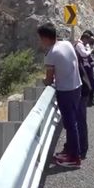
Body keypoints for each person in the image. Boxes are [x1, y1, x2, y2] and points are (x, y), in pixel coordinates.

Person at [38, 23, 84, 167]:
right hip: (77, 86)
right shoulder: (66, 44)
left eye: (40, 38)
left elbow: (49, 79)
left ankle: (74, 158)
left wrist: (43, 81)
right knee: (73, 122)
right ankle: (70, 150)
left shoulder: (51, 54)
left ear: (45, 38)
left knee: (70, 124)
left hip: (66, 91)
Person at [75, 31, 94, 107]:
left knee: (92, 83)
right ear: (84, 39)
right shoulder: (79, 45)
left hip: (88, 66)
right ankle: (86, 100)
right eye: (87, 40)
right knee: (87, 84)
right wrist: (90, 51)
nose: (88, 43)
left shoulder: (85, 45)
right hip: (83, 67)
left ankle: (90, 99)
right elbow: (84, 54)